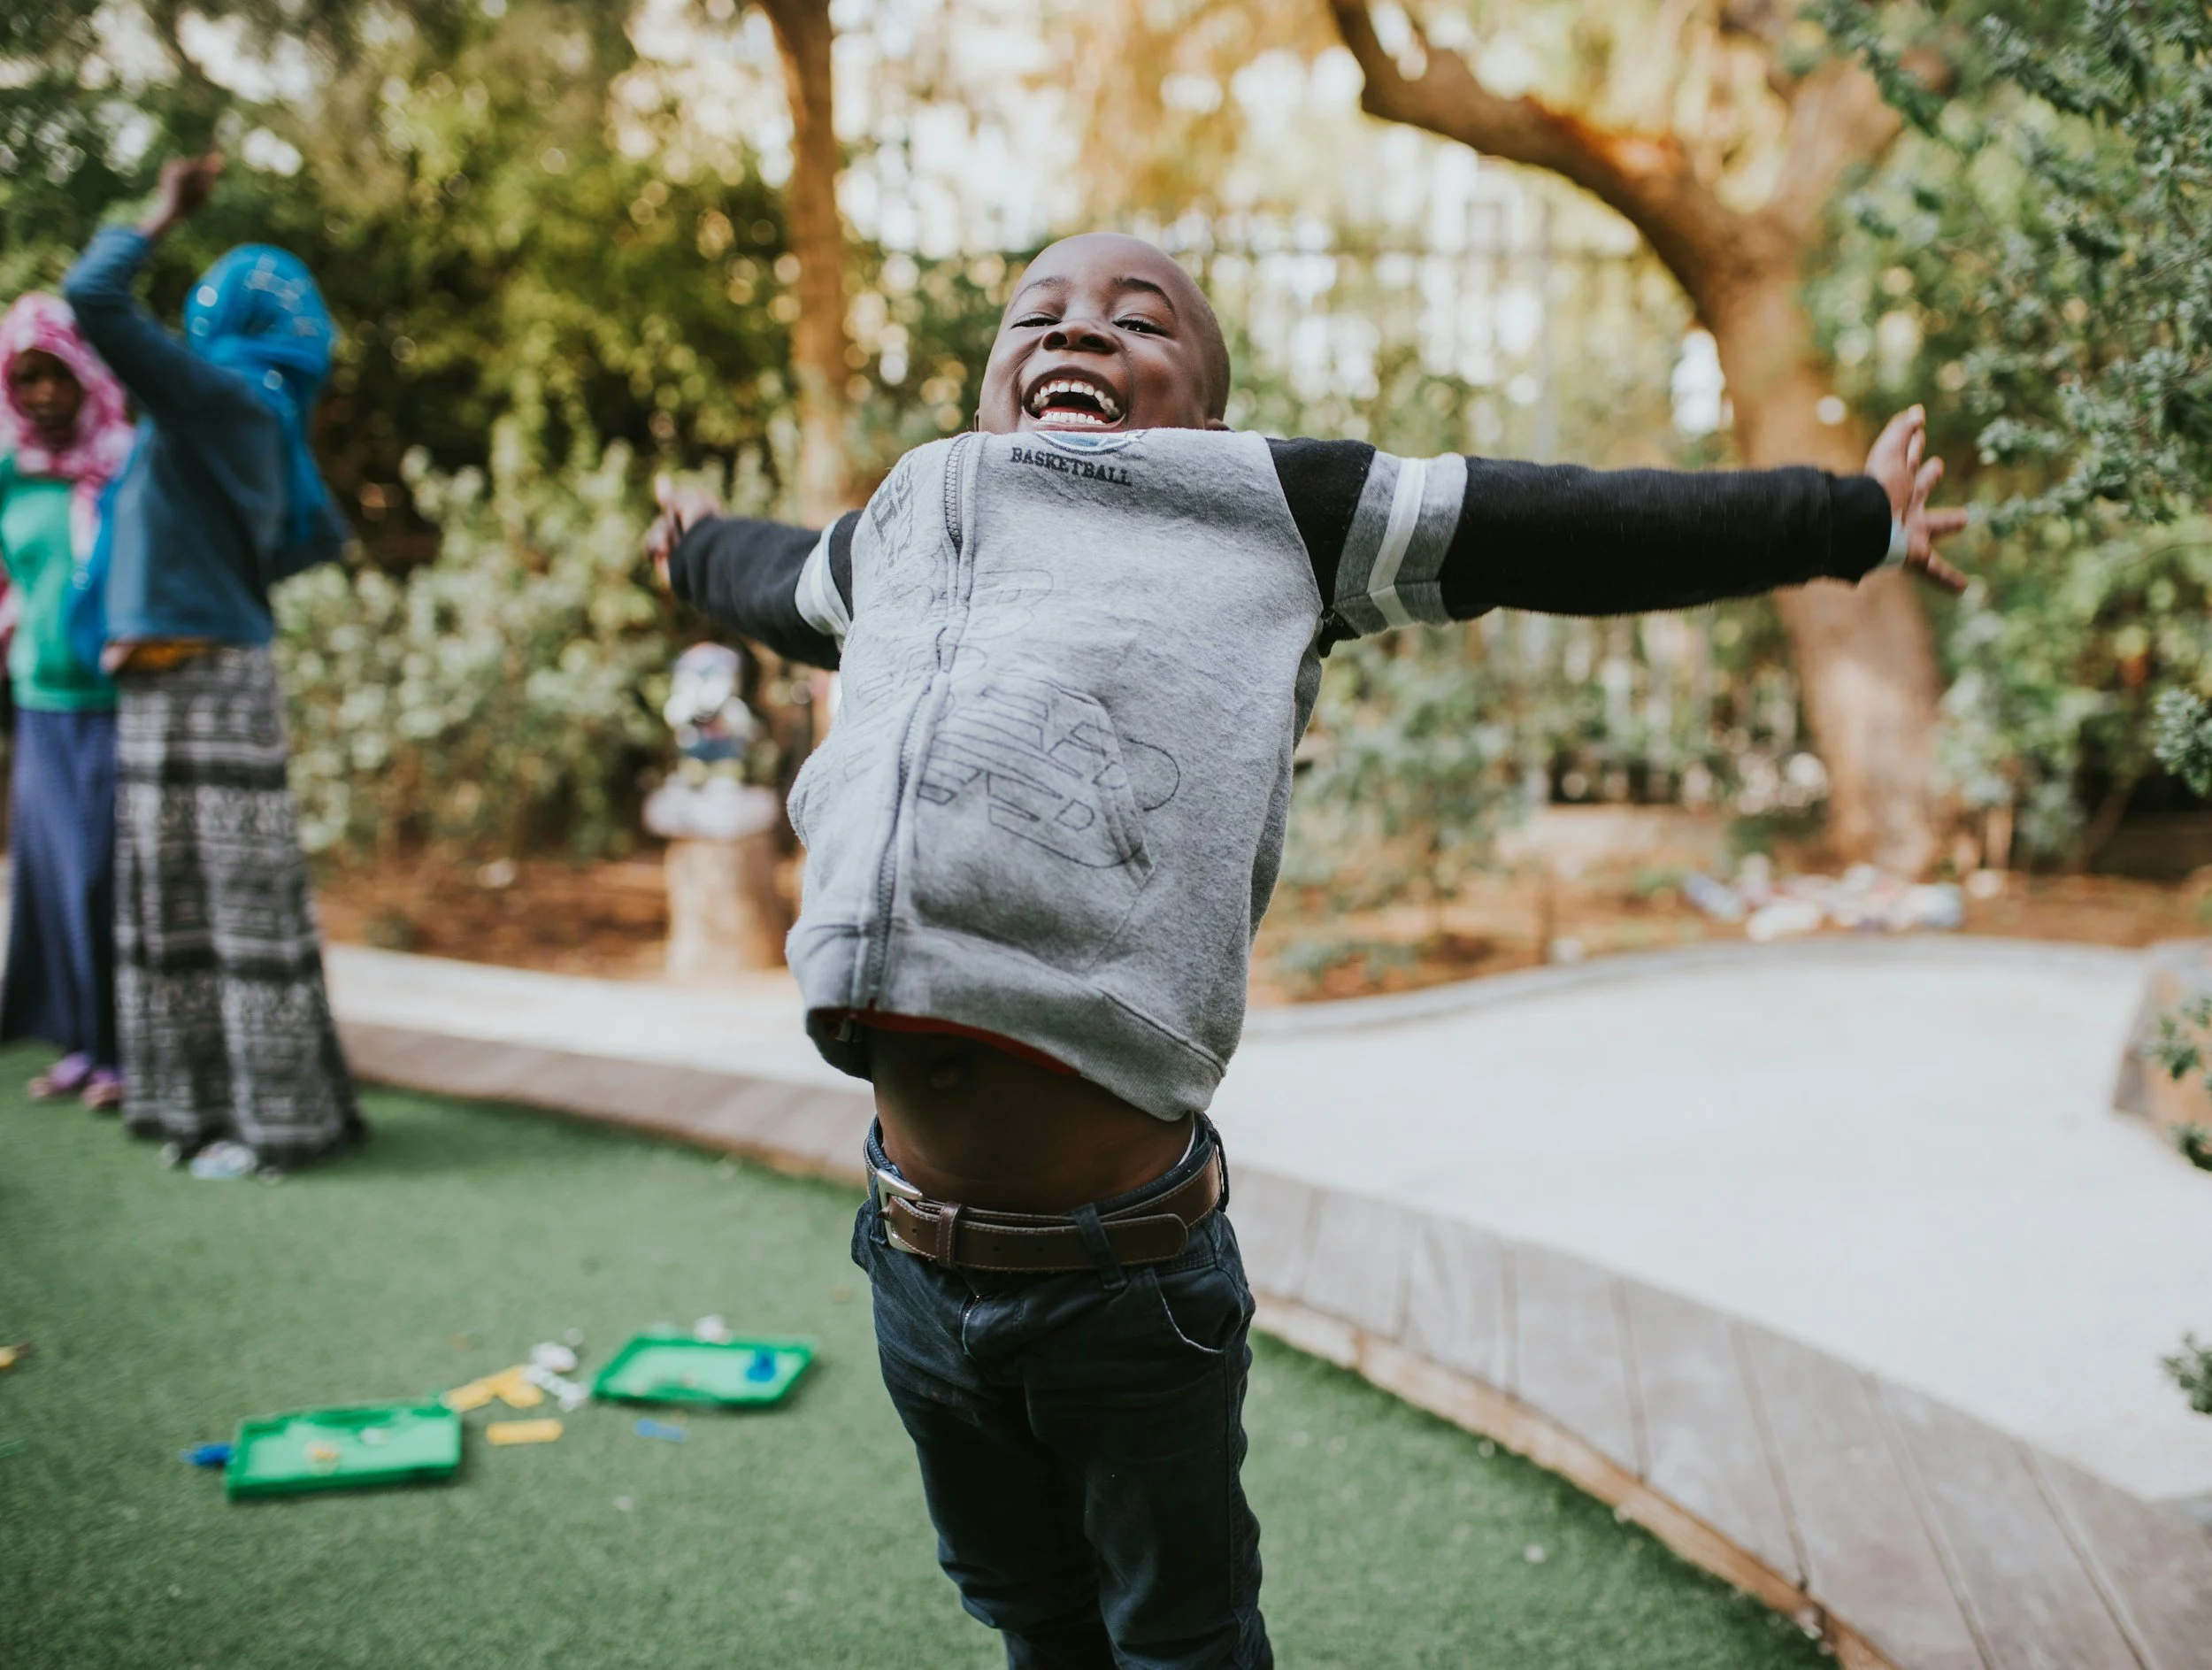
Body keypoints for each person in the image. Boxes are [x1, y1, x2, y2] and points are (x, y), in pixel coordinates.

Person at [649, 231, 1969, 1669]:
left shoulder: (1265, 501)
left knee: (1180, 1636)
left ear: (1208, 415)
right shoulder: (911, 517)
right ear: (985, 389)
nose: (1078, 332)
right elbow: (771, 577)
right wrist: (694, 547)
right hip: (908, 1249)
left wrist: (1843, 519)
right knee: (1025, 1608)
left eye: (1136, 320)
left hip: (1124, 1273)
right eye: (1038, 315)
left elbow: (1563, 523)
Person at [63, 154, 363, 1175]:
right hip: (171, 676)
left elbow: (92, 298)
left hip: (207, 681)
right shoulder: (242, 413)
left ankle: (275, 1125)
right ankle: (206, 1109)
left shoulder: (224, 399)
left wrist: (160, 213)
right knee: (182, 907)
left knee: (234, 912)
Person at [0, 292, 136, 1109]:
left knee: (103, 878)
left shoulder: (125, 462)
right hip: (37, 700)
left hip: (115, 702)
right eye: (28, 377)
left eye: (57, 375)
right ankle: (81, 1046)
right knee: (49, 881)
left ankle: (125, 1049)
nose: (45, 393)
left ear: (87, 374)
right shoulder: (10, 473)